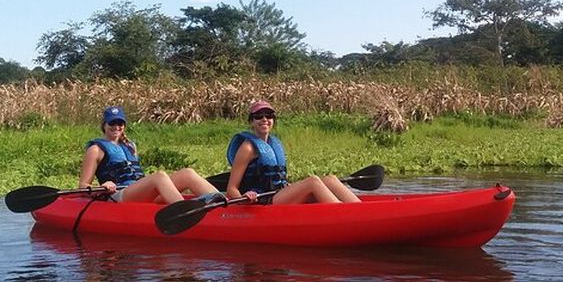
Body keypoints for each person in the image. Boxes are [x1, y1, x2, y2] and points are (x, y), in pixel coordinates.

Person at [226, 101, 361, 204]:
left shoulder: (274, 144)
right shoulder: (247, 148)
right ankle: (345, 214)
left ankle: (360, 210)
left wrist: (289, 185)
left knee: (329, 179)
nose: (264, 119)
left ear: (273, 120)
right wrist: (244, 198)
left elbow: (278, 179)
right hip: (264, 200)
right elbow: (231, 189)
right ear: (251, 122)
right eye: (258, 116)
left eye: (268, 115)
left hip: (279, 193)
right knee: (312, 181)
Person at [79, 105, 220, 204]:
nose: (116, 127)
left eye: (120, 123)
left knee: (187, 173)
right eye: (112, 123)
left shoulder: (130, 146)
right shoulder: (96, 149)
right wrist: (105, 185)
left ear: (124, 125)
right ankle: (183, 210)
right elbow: (83, 186)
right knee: (159, 176)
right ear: (104, 125)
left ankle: (225, 205)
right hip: (119, 195)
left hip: (140, 193)